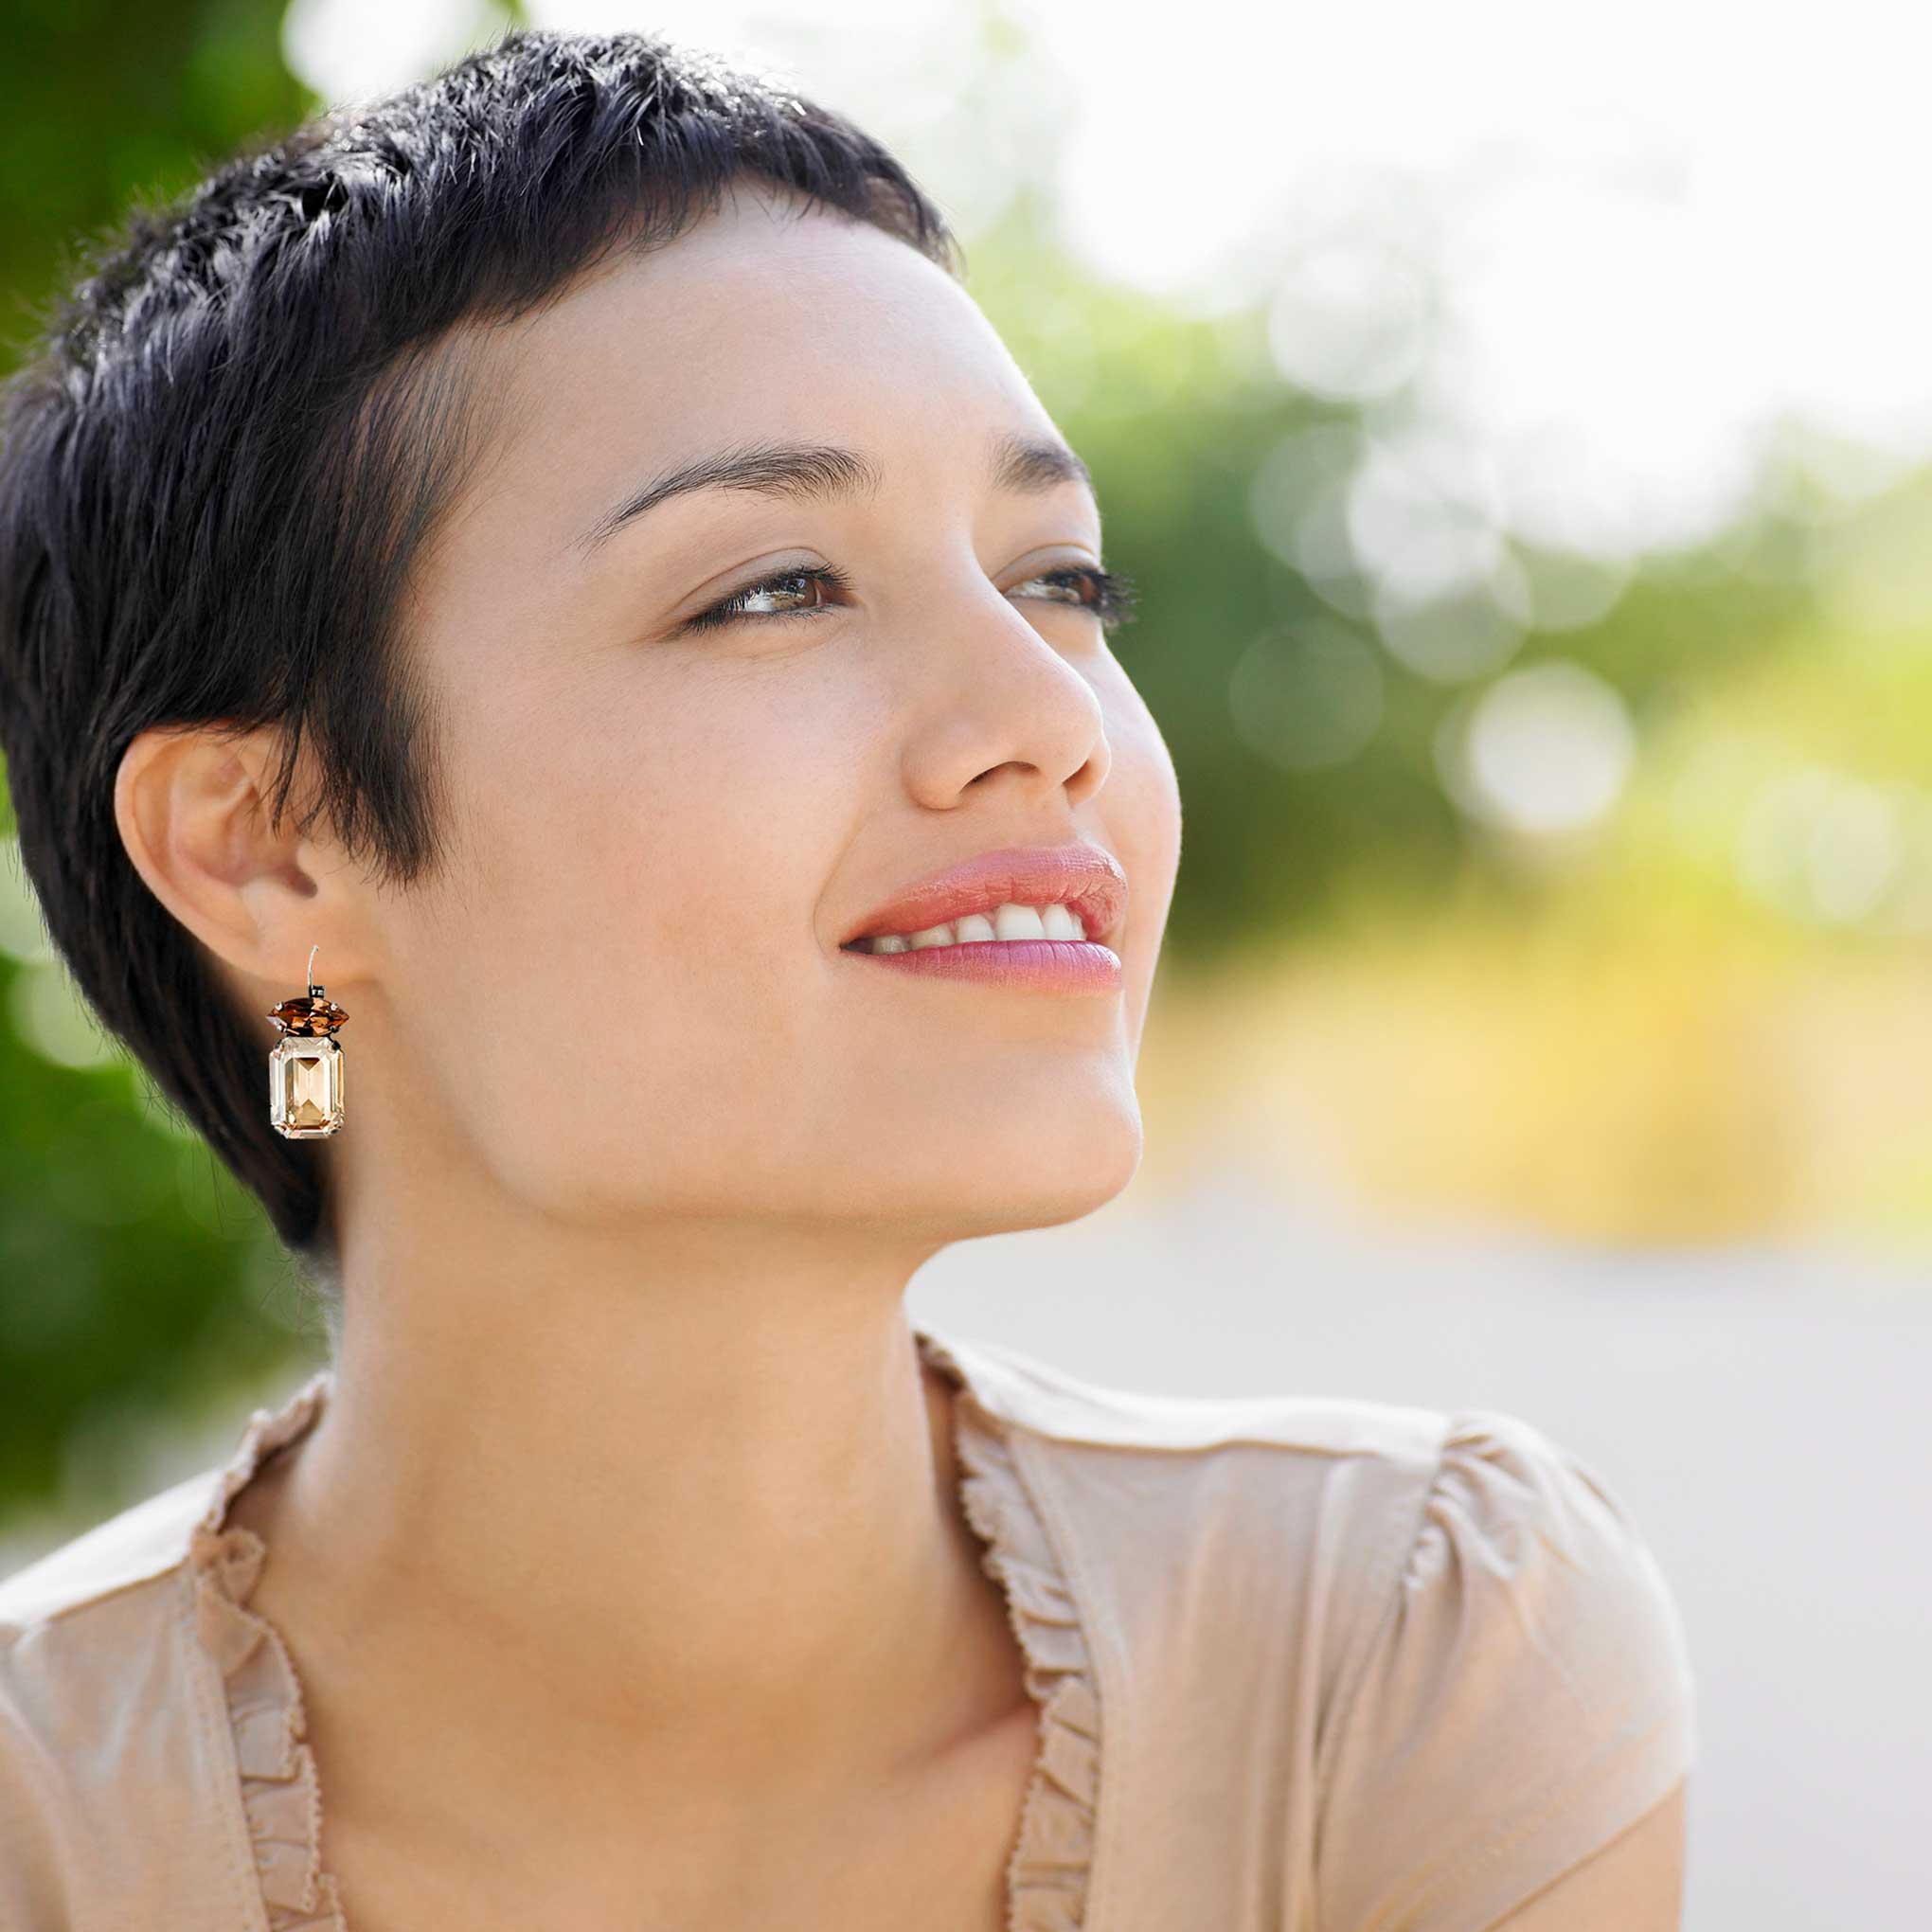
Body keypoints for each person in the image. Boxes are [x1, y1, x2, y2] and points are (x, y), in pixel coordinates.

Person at [0, 27, 1693, 1929]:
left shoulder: (1400, 1649)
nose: (1045, 718)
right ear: (272, 845)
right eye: (773, 589)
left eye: (1060, 580)